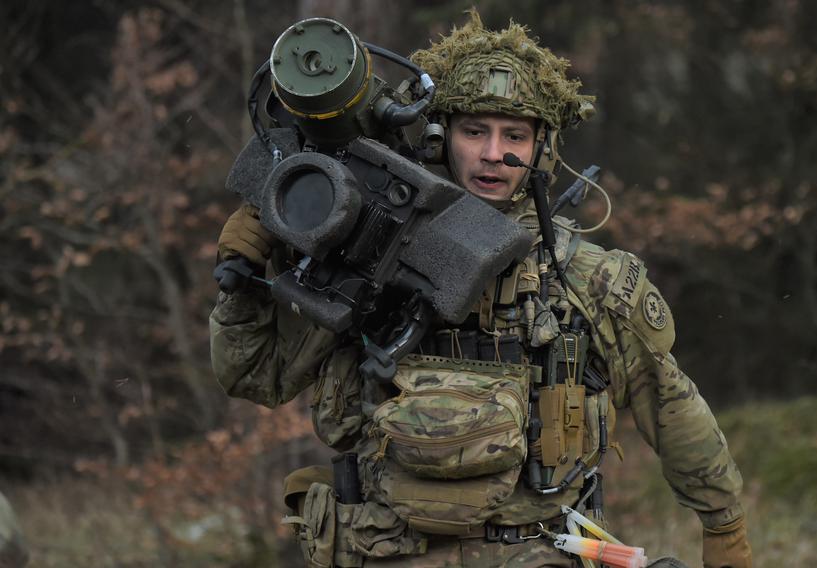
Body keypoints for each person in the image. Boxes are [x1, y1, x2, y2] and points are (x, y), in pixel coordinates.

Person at [211, 10, 752, 568]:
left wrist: (724, 529)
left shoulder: (586, 278)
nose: (493, 153)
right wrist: (243, 281)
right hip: (384, 550)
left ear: (542, 148)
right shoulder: (364, 256)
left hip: (535, 553)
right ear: (443, 138)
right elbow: (255, 377)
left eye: (513, 135)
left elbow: (668, 405)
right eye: (475, 131)